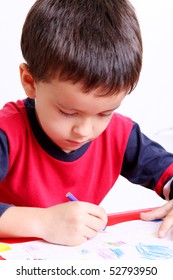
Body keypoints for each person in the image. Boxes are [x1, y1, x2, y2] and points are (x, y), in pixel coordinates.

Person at [0, 0, 173, 246]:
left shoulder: (120, 135)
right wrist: (43, 222)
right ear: (30, 82)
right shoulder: (6, 134)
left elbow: (166, 172)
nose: (84, 131)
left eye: (104, 113)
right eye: (68, 112)